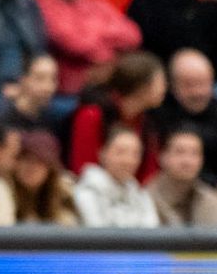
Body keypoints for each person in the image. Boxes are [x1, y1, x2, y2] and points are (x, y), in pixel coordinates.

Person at [39, 0, 140, 97]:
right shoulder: (44, 7)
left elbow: (132, 36)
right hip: (69, 93)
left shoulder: (100, 5)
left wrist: (92, 39)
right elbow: (76, 45)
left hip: (108, 90)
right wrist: (108, 50)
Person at [66, 49, 166, 179]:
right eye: (161, 82)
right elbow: (83, 168)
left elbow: (149, 174)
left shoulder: (147, 123)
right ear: (142, 86)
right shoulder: (92, 115)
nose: (164, 88)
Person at [154, 48, 217, 182]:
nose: (198, 92)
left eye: (203, 83)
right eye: (189, 85)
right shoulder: (159, 116)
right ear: (173, 86)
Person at [74, 124, 159, 228]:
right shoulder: (86, 192)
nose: (128, 160)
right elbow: (96, 233)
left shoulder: (141, 194)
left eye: (135, 154)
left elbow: (152, 233)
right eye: (120, 152)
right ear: (102, 153)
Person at [149, 125, 217, 229]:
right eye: (180, 152)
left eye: (195, 153)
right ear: (163, 157)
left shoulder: (212, 202)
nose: (187, 161)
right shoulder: (145, 200)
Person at [11, 130, 79, 224]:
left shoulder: (65, 194)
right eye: (25, 159)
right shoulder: (2, 193)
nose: (31, 167)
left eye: (39, 161)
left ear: (50, 169)